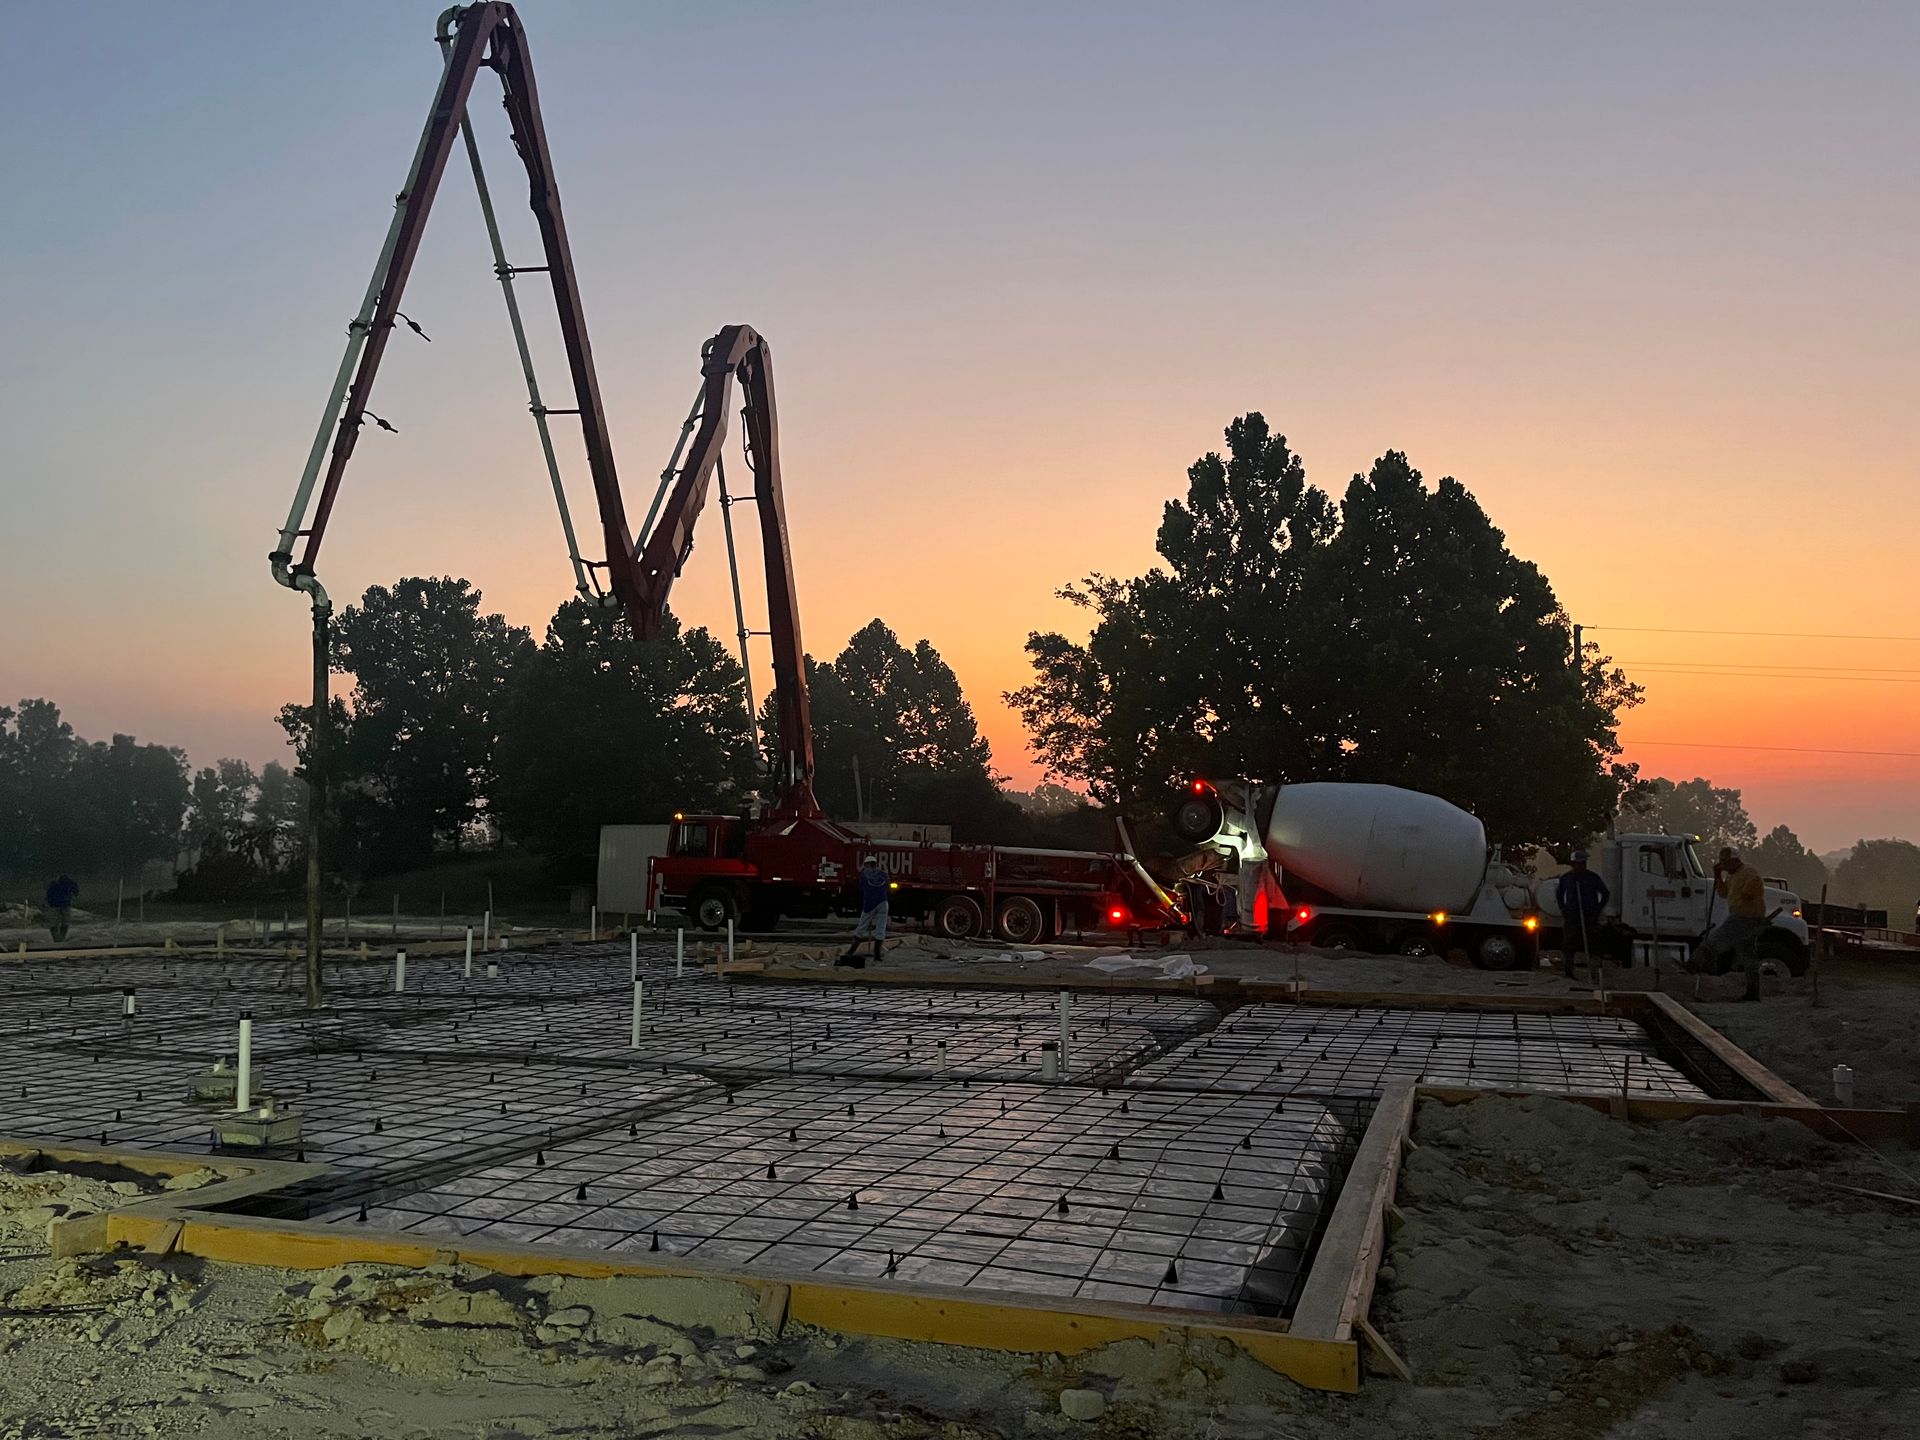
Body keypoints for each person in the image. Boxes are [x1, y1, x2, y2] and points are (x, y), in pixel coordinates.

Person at [1700, 846, 1769, 1002]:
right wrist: (1718, 876)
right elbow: (1723, 893)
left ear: (1735, 861)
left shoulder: (1749, 873)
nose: (1723, 865)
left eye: (1725, 862)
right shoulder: (1732, 876)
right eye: (1721, 863)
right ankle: (1752, 993)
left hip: (1748, 918)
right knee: (1746, 953)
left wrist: (1744, 897)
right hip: (1739, 916)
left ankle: (1696, 962)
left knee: (1723, 942)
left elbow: (1749, 893)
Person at [1554, 851, 1609, 980]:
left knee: (1594, 944)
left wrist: (1597, 909)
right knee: (1569, 943)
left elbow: (1605, 893)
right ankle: (1569, 971)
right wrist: (1563, 908)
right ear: (1573, 864)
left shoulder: (1592, 877)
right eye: (1577, 864)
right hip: (1572, 915)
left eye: (1582, 863)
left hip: (1590, 915)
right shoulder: (1567, 878)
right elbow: (1559, 894)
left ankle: (1595, 972)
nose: (1580, 866)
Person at [836, 855, 892, 968]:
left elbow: (860, 889)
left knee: (861, 927)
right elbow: (888, 888)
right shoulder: (883, 874)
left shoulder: (864, 874)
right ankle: (877, 956)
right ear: (876, 864)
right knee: (880, 929)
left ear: (866, 864)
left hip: (869, 905)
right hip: (883, 903)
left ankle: (851, 951)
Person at [44, 875, 79, 942]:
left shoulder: (54, 884)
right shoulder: (69, 883)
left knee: (54, 923)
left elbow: (48, 894)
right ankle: (61, 938)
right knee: (65, 922)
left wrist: (47, 902)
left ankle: (57, 938)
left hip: (54, 905)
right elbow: (75, 892)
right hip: (64, 904)